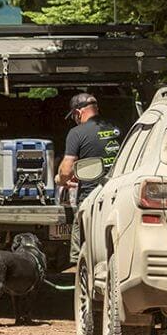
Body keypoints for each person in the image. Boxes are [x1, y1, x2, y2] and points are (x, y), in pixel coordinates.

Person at [54, 92, 122, 269]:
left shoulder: (76, 133)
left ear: (78, 113)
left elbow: (67, 170)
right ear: (96, 108)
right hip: (119, 195)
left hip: (91, 198)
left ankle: (83, 283)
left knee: (83, 252)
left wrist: (59, 179)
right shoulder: (118, 128)